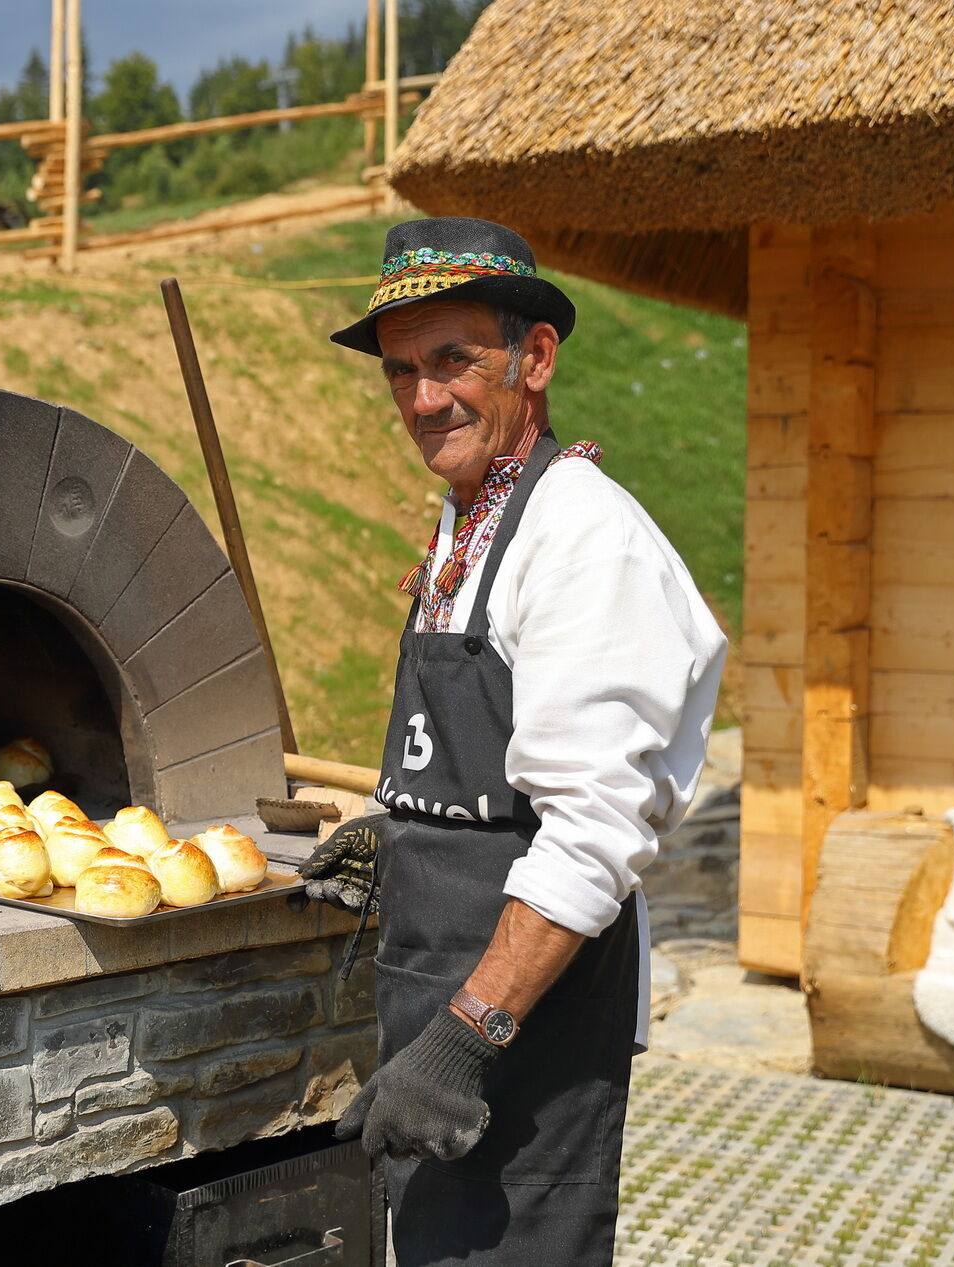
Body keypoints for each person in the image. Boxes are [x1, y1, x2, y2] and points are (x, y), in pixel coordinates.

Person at [302, 218, 726, 1266]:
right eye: (400, 369)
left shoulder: (583, 538)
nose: (421, 396)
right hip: (434, 986)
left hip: (519, 1030)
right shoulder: (470, 522)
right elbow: (480, 765)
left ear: (534, 358)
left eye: (453, 360)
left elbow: (591, 827)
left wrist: (462, 1039)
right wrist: (393, 832)